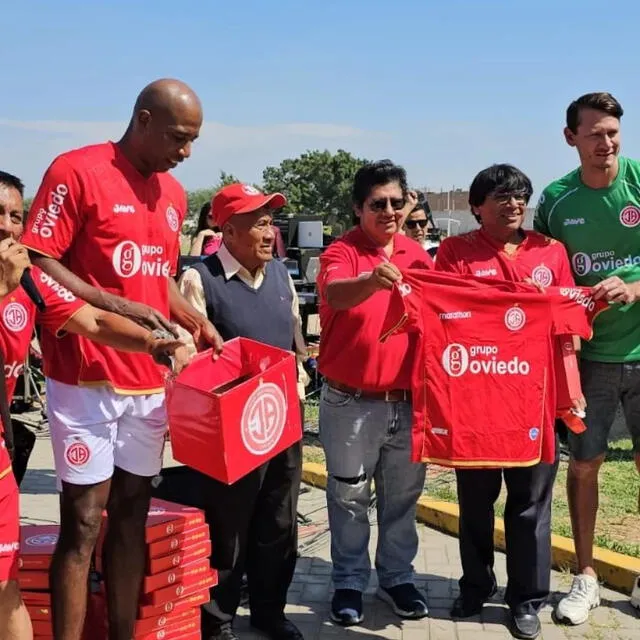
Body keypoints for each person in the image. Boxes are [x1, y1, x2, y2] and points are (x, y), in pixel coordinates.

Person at [21, 79, 223, 640]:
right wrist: (108, 302)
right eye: (179, 138)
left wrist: (193, 318)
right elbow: (39, 259)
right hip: (84, 376)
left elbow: (155, 276)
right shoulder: (77, 170)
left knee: (132, 516)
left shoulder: (174, 196)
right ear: (143, 118)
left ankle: (123, 634)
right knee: (84, 522)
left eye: (194, 142)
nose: (185, 153)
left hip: (148, 382)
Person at [0, 171, 183, 640]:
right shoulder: (10, 281)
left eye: (15, 217)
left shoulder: (32, 281)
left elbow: (95, 322)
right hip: (81, 398)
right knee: (78, 524)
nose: (6, 228)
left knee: (4, 587)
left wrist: (155, 342)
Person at [436, 164, 581, 640]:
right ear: (476, 207)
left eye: (520, 195)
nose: (514, 203)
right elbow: (445, 318)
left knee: (530, 506)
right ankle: (475, 586)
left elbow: (569, 317)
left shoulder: (552, 252)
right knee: (475, 503)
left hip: (535, 402)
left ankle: (526, 599)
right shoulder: (456, 252)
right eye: (501, 195)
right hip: (476, 402)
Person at [177, 183, 307, 640]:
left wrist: (299, 385)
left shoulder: (281, 275)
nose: (269, 232)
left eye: (271, 221)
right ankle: (218, 621)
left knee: (278, 521)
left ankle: (270, 612)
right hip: (229, 430)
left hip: (282, 420)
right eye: (258, 222)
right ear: (227, 229)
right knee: (227, 527)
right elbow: (187, 361)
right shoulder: (200, 279)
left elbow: (293, 340)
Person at [534, 92, 640, 625]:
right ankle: (586, 577)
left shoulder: (639, 182)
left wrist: (636, 286)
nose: (607, 143)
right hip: (589, 358)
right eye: (595, 134)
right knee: (584, 466)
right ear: (571, 137)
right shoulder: (555, 200)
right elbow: (544, 277)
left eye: (614, 132)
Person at [316, 160, 433, 626]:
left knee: (402, 499)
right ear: (358, 208)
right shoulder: (342, 252)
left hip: (408, 403)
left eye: (397, 202)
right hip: (350, 403)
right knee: (348, 497)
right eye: (377, 204)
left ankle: (397, 578)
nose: (389, 211)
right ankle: (348, 581)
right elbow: (336, 294)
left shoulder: (420, 255)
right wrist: (372, 278)